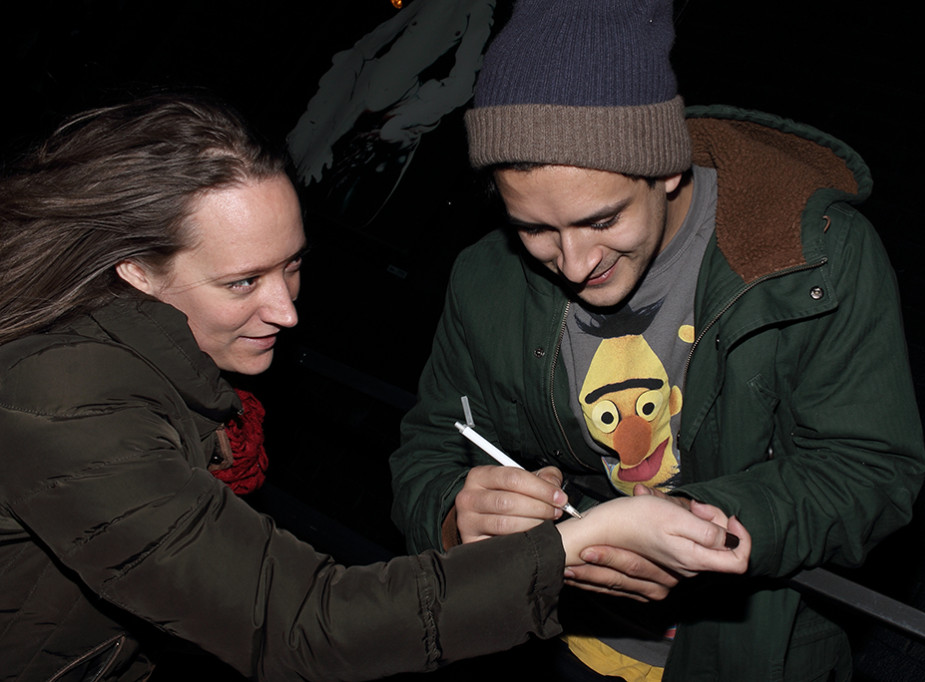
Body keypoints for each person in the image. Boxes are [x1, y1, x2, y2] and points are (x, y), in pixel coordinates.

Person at [0, 92, 750, 682]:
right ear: (135, 273)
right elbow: (300, 625)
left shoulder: (136, 368)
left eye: (292, 264)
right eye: (243, 281)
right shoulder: (67, 399)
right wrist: (575, 545)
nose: (286, 309)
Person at [389, 1, 925, 680]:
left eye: (602, 218)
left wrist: (714, 519)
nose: (576, 261)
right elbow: (431, 448)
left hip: (747, 652)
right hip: (551, 642)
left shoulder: (813, 261)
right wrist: (452, 514)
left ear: (667, 165)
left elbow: (872, 471)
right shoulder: (486, 278)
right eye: (534, 229)